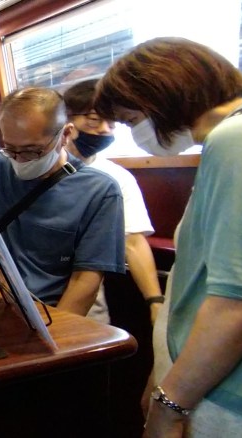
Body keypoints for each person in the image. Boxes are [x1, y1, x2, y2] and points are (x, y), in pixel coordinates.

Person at [94, 37, 242, 437]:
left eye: (132, 120)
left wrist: (169, 405)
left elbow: (241, 302)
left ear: (161, 97)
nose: (135, 133)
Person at [0, 87, 125, 316]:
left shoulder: (99, 191)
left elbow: (85, 281)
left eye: (32, 151)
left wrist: (55, 332)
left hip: (44, 313)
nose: (19, 160)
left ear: (65, 134)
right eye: (10, 149)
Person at [62, 79, 163, 325]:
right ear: (65, 120)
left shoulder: (117, 177)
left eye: (112, 124)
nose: (104, 130)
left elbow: (133, 242)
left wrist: (155, 301)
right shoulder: (33, 169)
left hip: (88, 311)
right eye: (94, 120)